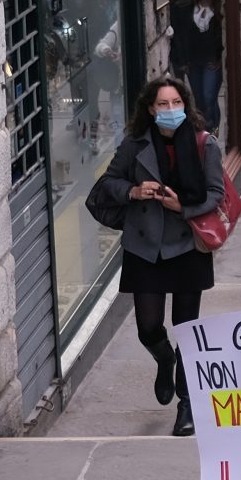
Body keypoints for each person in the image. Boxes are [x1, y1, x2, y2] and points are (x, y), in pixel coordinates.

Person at [86, 79, 224, 437]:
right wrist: (134, 190)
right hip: (144, 247)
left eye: (176, 102)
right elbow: (105, 186)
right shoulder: (135, 144)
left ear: (186, 104)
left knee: (187, 329)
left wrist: (184, 205)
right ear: (150, 109)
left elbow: (216, 194)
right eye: (162, 104)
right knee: (148, 328)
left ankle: (187, 404)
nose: (170, 110)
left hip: (186, 247)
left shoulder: (204, 143)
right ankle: (165, 358)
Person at [171, 0, 224, 131]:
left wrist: (220, 58)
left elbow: (222, 37)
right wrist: (182, 61)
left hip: (211, 61)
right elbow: (181, 34)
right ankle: (204, 127)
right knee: (199, 98)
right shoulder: (188, 8)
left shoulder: (219, 10)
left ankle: (211, 126)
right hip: (193, 61)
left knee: (209, 96)